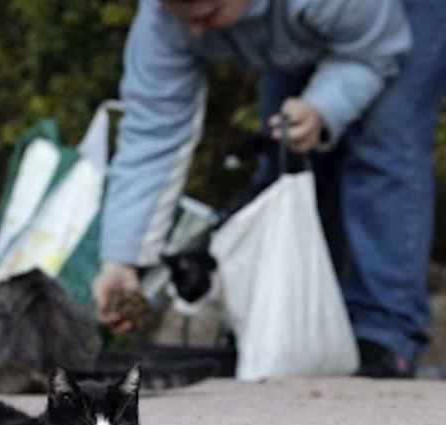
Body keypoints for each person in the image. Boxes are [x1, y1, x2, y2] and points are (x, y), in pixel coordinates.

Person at [92, 0, 446, 378]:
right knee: (284, 152)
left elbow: (376, 49)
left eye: (207, 15)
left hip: (396, 20)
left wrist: (323, 106)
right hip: (297, 24)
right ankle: (301, 324)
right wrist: (122, 260)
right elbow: (152, 134)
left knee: (385, 142)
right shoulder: (164, 19)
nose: (194, 32)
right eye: (183, 17)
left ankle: (385, 335)